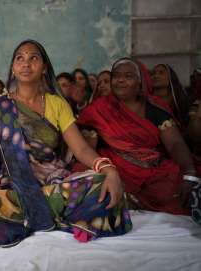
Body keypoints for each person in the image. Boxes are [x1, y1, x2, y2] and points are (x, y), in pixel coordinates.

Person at [0, 40, 132, 247]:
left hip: (55, 181)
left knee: (105, 184)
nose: (26, 63)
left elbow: (81, 148)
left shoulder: (57, 104)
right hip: (17, 185)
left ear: (44, 68)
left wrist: (108, 168)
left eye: (33, 58)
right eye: (20, 58)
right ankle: (61, 213)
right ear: (13, 69)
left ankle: (27, 215)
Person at [77, 58, 197, 215]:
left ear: (141, 82)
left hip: (156, 173)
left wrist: (189, 173)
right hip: (119, 172)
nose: (120, 80)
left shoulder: (155, 108)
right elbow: (86, 149)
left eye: (128, 76)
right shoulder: (97, 111)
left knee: (180, 201)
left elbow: (175, 144)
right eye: (116, 76)